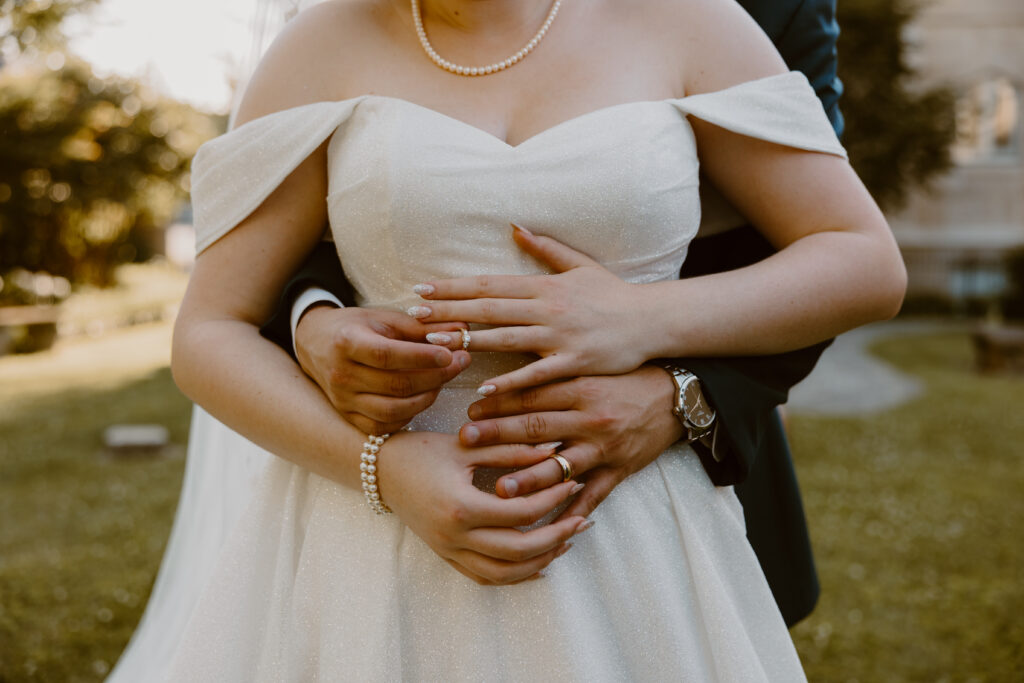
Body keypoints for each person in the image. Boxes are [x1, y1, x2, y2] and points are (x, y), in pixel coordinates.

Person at [136, 0, 905, 678]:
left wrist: (641, 321)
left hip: (627, 519)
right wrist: (386, 467)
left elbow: (863, 258)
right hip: (378, 531)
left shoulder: (690, 19)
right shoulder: (320, 43)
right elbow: (209, 330)